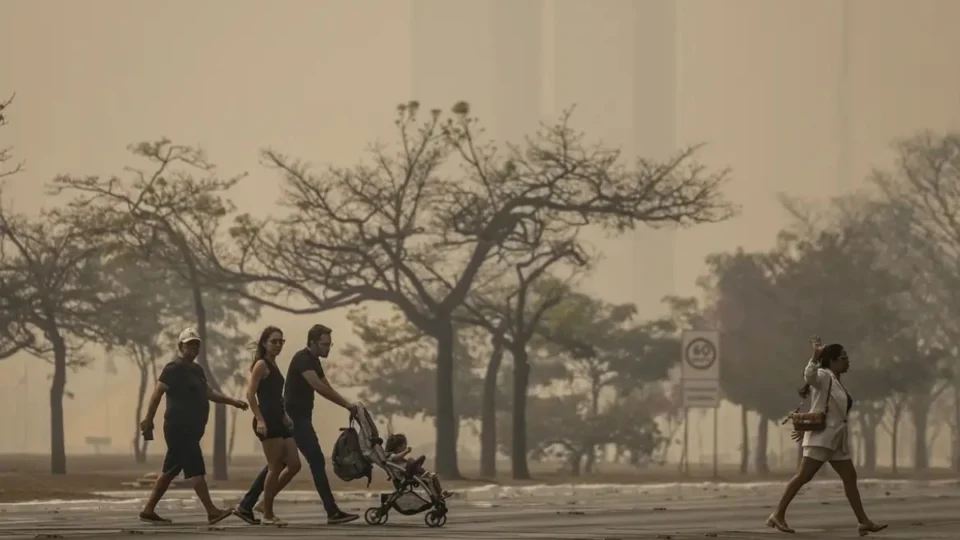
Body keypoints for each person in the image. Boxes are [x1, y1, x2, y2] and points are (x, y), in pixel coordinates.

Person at [235, 324, 360, 526]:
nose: (328, 348)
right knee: (313, 461)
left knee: (283, 464)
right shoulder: (302, 359)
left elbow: (325, 384)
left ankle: (250, 504)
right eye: (324, 344)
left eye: (330, 344)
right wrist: (346, 404)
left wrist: (348, 404)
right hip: (294, 418)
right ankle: (331, 511)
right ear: (312, 343)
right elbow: (318, 387)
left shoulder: (311, 361)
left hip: (288, 417)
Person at [766, 335, 887, 536]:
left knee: (850, 477)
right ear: (833, 361)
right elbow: (809, 376)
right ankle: (777, 514)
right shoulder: (823, 376)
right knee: (803, 476)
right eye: (843, 357)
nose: (848, 361)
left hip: (836, 440)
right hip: (822, 438)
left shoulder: (836, 381)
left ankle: (863, 522)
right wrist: (814, 356)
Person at [138, 327, 249, 525]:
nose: (194, 348)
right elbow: (157, 394)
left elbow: (209, 393)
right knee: (196, 469)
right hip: (179, 428)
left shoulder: (197, 370)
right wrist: (149, 419)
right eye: (190, 344)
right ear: (180, 346)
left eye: (196, 344)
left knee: (170, 470)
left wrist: (233, 401)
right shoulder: (173, 368)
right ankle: (212, 511)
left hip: (192, 429)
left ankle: (148, 510)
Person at [246, 326, 302, 526]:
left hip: (279, 419)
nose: (278, 345)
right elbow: (250, 394)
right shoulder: (261, 364)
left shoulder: (274, 364)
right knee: (275, 467)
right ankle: (268, 513)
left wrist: (285, 414)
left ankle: (263, 503)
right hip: (267, 419)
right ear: (264, 343)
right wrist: (260, 420)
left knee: (294, 464)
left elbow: (276, 396)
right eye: (274, 341)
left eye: (281, 341)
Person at [384, 433, 452, 501]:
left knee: (433, 476)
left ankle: (440, 493)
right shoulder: (390, 456)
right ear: (398, 447)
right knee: (411, 460)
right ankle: (424, 473)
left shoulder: (400, 458)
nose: (405, 447)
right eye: (404, 445)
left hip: (408, 472)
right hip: (404, 474)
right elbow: (395, 457)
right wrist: (406, 452)